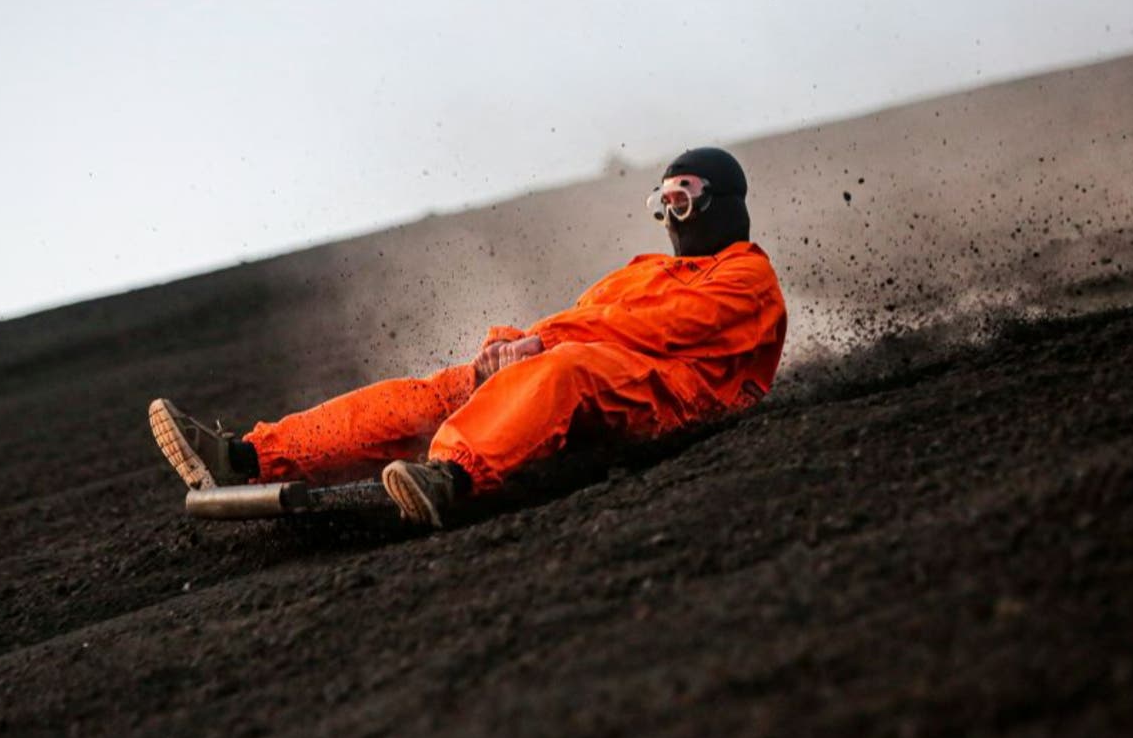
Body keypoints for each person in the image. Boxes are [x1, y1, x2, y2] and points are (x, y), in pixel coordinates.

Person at [149, 147, 787, 528]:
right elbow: (584, 318)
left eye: (684, 199)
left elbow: (660, 331)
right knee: (447, 387)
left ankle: (448, 477)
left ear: (721, 202)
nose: (670, 217)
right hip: (599, 371)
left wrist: (539, 345)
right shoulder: (645, 270)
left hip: (679, 396)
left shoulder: (748, 276)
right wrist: (505, 348)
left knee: (568, 369)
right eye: (662, 201)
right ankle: (247, 456)